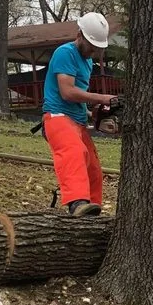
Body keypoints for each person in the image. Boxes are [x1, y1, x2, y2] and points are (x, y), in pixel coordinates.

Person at [42, 12, 116, 217]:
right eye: (91, 45)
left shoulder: (87, 62)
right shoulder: (65, 53)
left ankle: (93, 210)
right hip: (57, 116)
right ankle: (77, 204)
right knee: (74, 152)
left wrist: (93, 114)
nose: (93, 50)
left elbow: (79, 95)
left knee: (93, 167)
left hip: (77, 120)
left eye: (97, 47)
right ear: (80, 35)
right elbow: (67, 92)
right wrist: (101, 99)